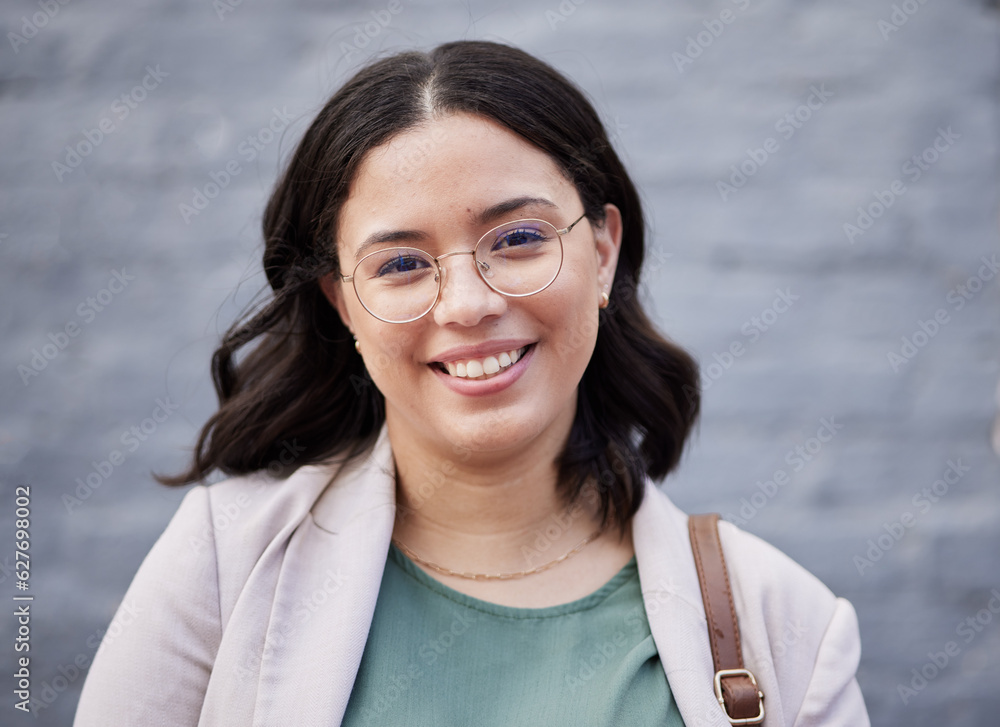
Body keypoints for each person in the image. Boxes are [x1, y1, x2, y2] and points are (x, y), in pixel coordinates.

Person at [74, 40, 869, 726]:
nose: (469, 303)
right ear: (343, 301)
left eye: (517, 238)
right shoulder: (224, 564)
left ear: (602, 251)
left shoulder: (782, 620)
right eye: (401, 263)